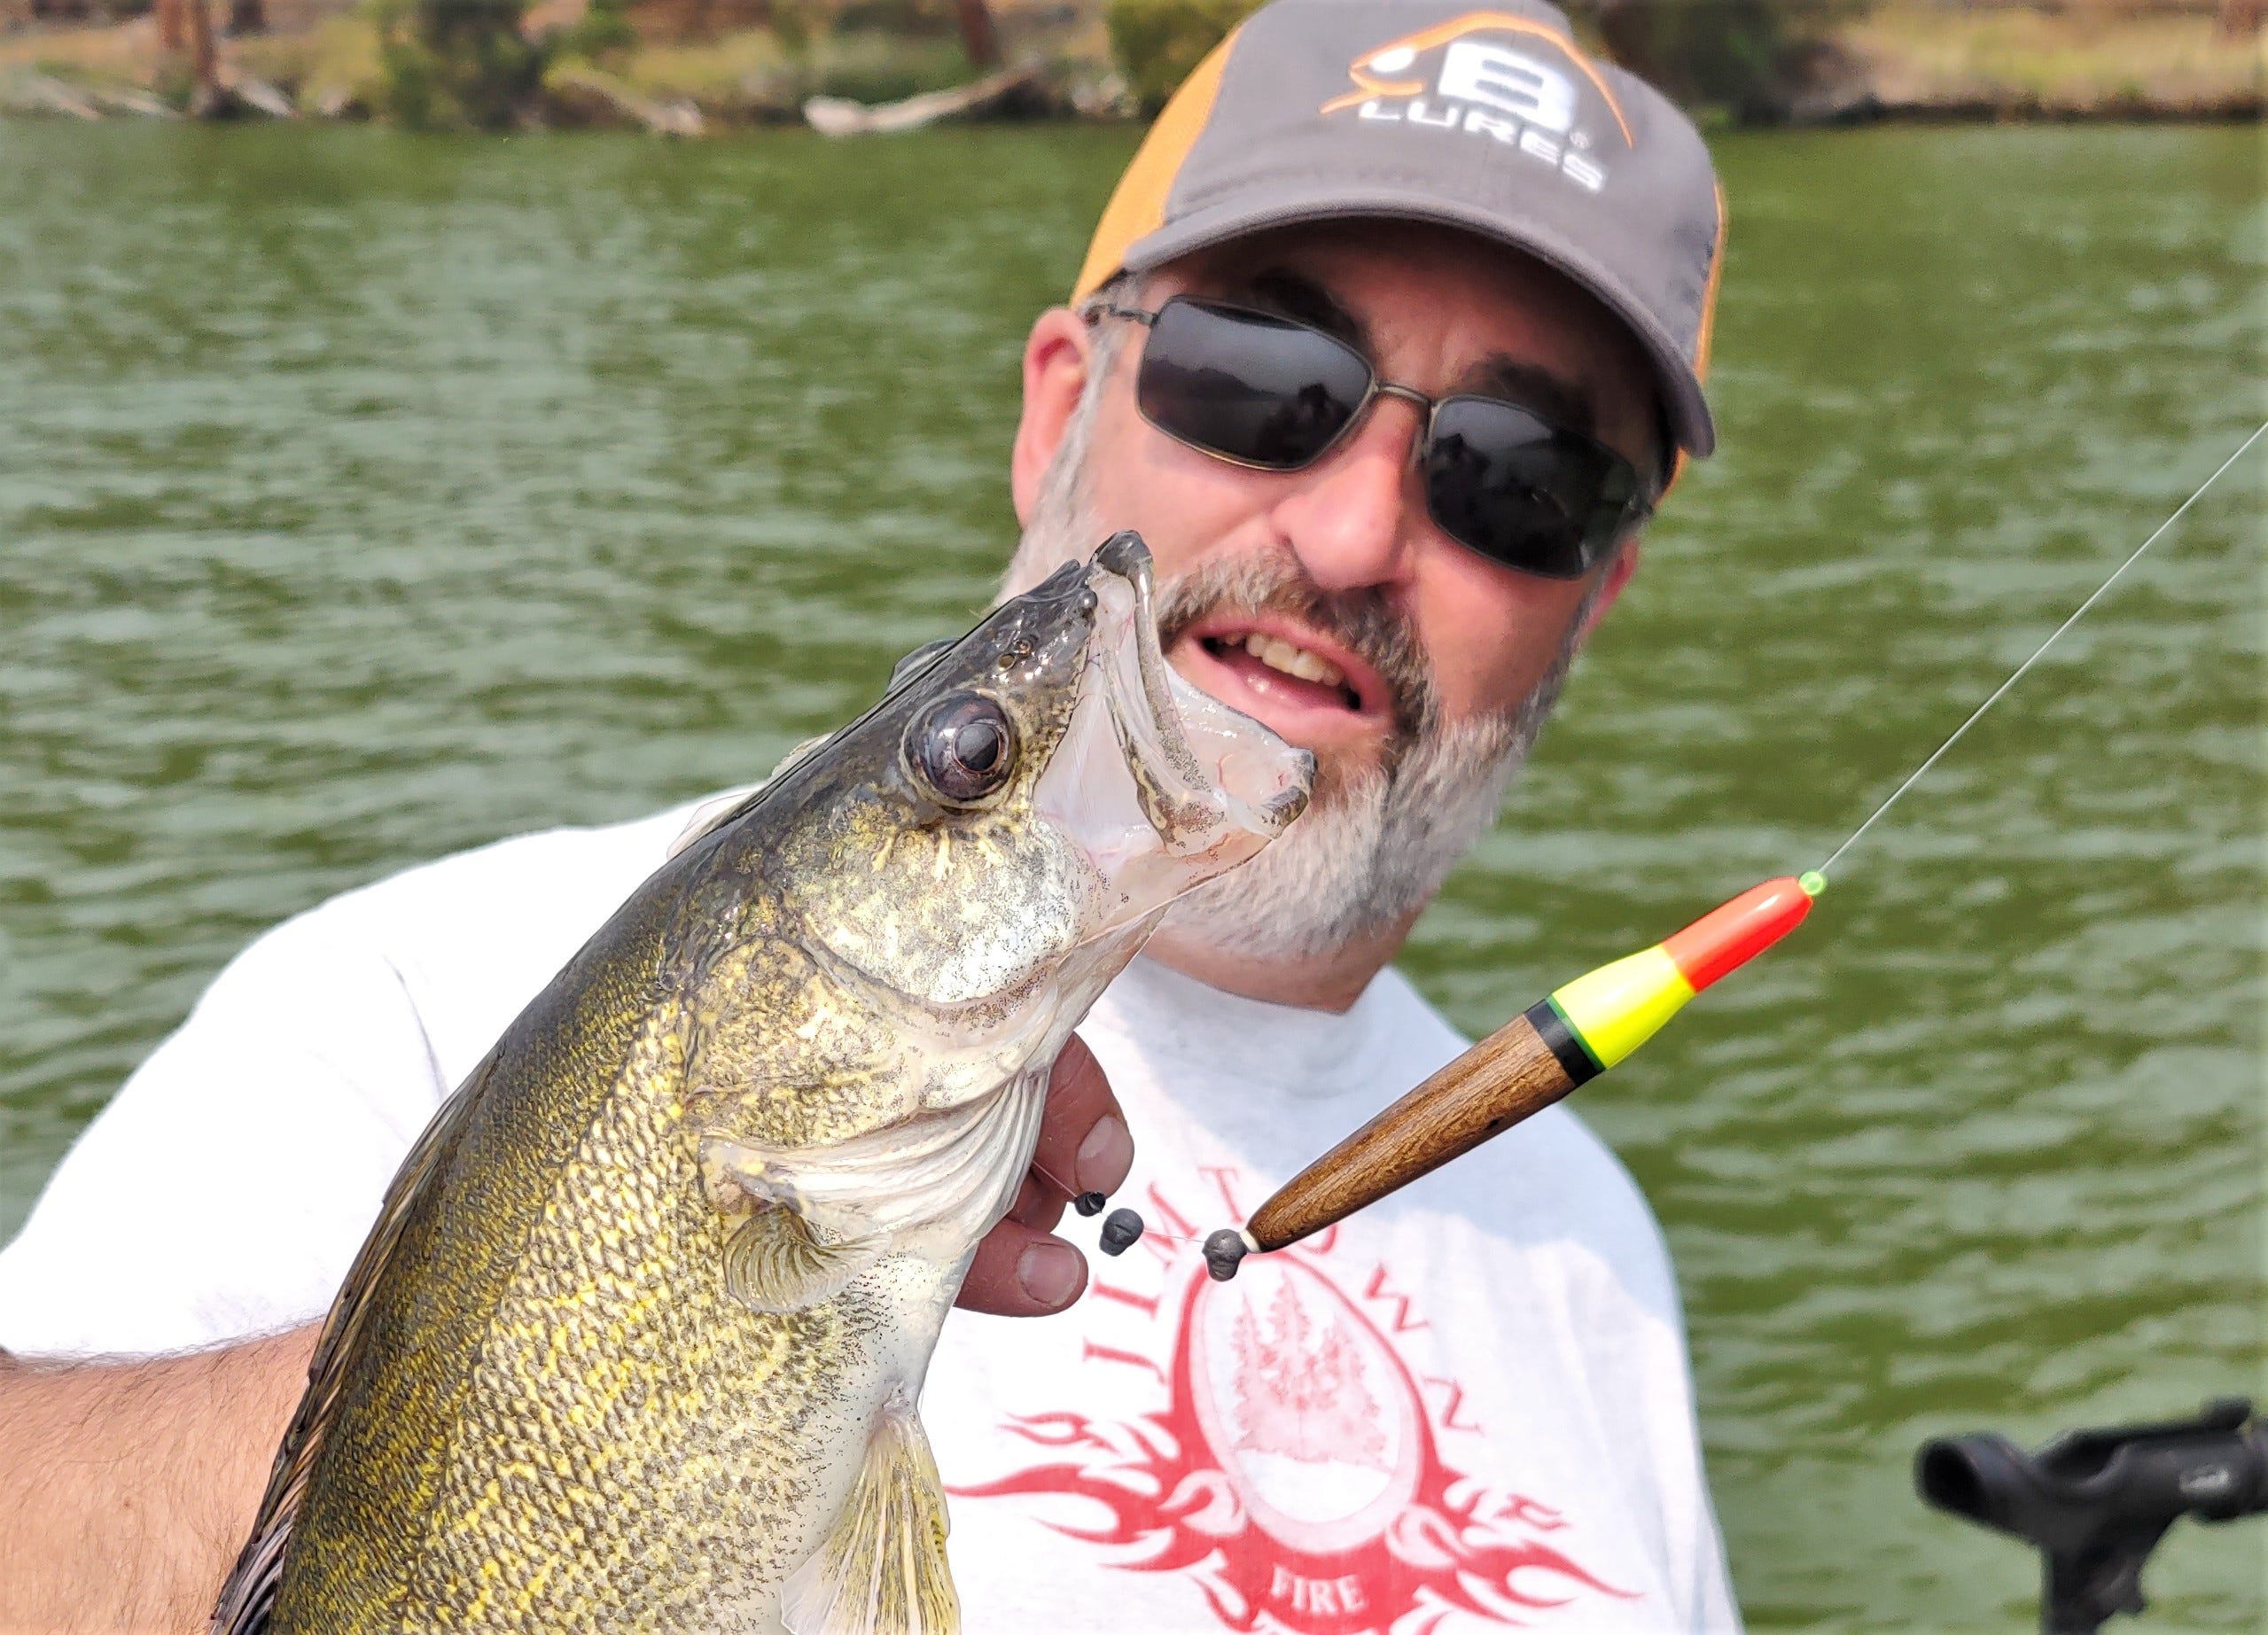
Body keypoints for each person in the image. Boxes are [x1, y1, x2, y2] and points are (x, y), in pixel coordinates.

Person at [0, 1, 1741, 1629]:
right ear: (1058, 403)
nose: (1356, 533)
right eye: (1263, 373)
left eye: (1517, 475)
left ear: (1590, 597)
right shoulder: (407, 1001)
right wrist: (542, 1354)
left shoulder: (1580, 1241)